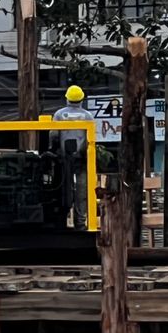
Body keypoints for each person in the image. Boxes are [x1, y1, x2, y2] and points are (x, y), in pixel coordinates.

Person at [53, 85, 93, 228]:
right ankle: (80, 224)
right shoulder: (88, 116)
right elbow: (90, 139)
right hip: (82, 159)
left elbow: (53, 136)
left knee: (63, 190)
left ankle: (61, 222)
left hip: (63, 160)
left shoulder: (58, 115)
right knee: (82, 191)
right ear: (82, 99)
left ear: (67, 99)